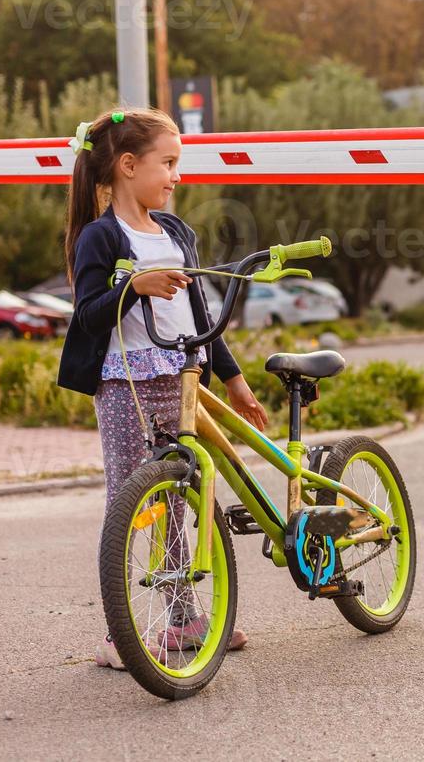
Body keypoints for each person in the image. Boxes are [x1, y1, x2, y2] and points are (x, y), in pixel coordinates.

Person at [56, 107, 270, 670]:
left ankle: (184, 620)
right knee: (132, 500)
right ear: (128, 165)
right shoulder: (102, 238)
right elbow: (88, 315)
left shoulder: (176, 233)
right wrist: (134, 285)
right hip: (126, 383)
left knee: (179, 497)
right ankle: (117, 635)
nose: (176, 176)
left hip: (182, 379)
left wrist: (237, 381)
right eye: (168, 163)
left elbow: (201, 315)